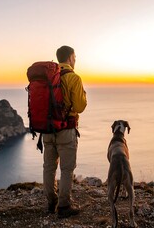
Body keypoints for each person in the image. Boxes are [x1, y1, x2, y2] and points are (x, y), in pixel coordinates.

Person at [43, 45, 87, 218]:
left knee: (49, 167)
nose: (75, 60)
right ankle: (63, 206)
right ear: (69, 58)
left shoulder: (48, 77)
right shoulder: (73, 78)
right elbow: (79, 106)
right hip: (66, 130)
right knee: (66, 169)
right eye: (75, 57)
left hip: (46, 130)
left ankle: (50, 202)